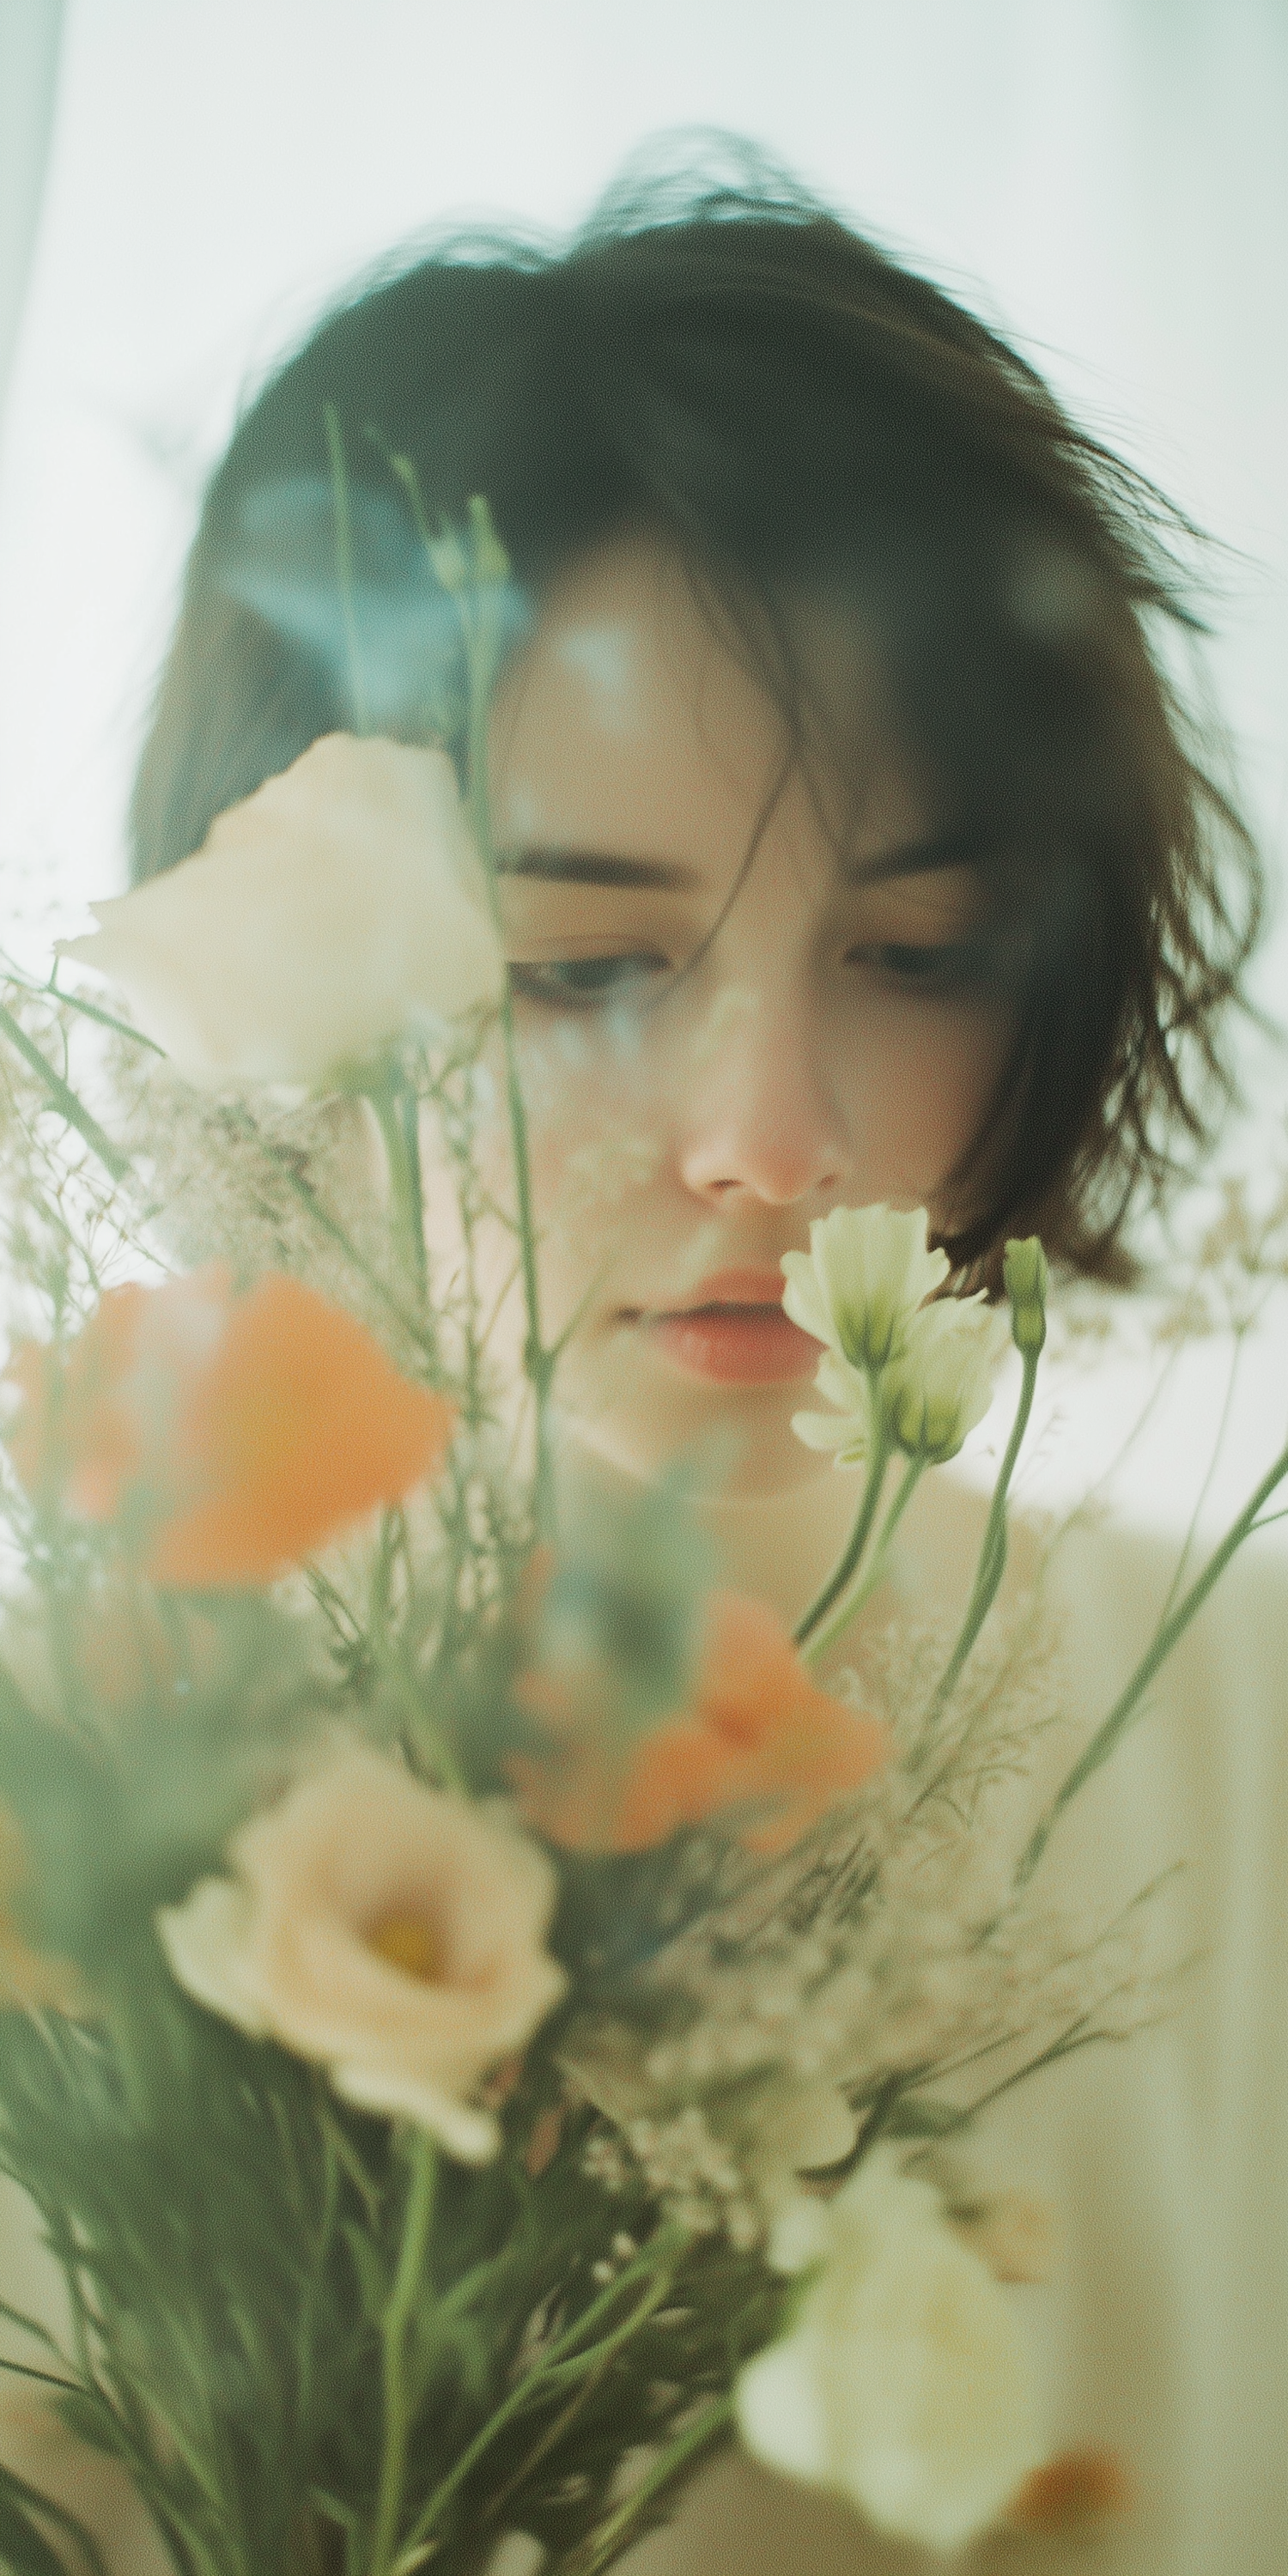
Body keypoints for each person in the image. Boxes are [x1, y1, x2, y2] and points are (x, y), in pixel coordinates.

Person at [19, 150, 1282, 2573]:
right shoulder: (61, 1792)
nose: (770, 1140)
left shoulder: (1236, 1723)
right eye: (576, 965)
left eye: (910, 956)